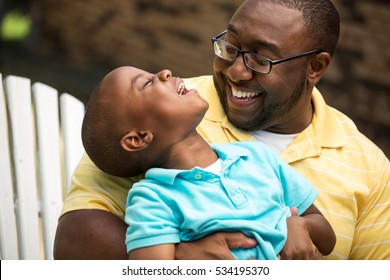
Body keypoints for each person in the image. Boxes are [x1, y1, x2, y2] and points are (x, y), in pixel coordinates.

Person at [54, 0, 390, 260]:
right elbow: (74, 238)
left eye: (261, 60)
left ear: (315, 67)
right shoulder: (161, 120)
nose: (236, 71)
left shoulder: (370, 169)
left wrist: (299, 228)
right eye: (230, 46)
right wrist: (181, 259)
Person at [80, 66, 336, 260]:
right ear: (138, 139)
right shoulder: (153, 200)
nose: (165, 72)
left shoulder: (257, 156)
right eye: (146, 83)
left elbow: (327, 236)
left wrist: (299, 225)